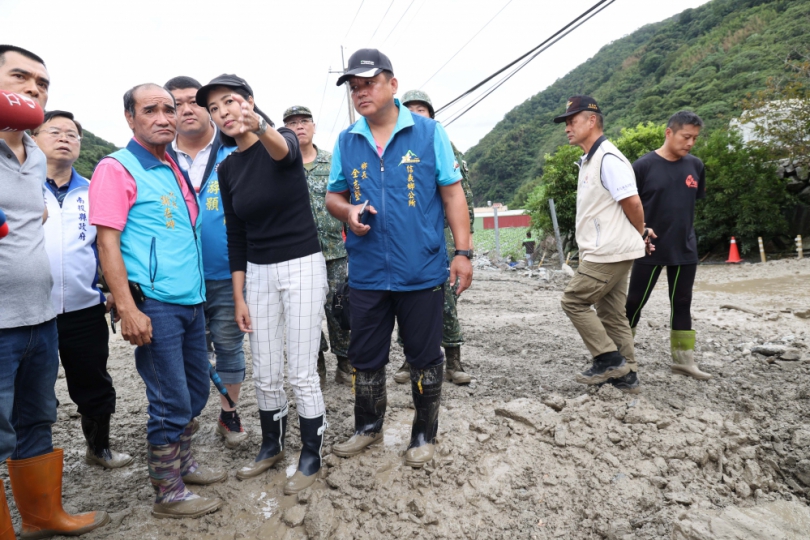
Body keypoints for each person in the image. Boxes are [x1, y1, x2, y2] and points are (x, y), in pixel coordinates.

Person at [326, 49, 473, 468]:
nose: (360, 92)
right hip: (368, 270)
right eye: (354, 87)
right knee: (365, 356)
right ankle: (368, 427)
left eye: (368, 83)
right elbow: (334, 196)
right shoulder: (347, 140)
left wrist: (462, 252)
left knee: (424, 356)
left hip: (421, 269)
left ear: (392, 85)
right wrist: (347, 211)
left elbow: (452, 195)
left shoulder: (428, 133)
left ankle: (424, 433)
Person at [89, 83, 224, 519]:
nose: (165, 117)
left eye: (170, 109)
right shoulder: (117, 167)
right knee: (170, 399)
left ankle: (183, 464)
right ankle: (168, 491)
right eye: (151, 110)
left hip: (191, 301)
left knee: (196, 390)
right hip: (155, 303)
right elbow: (107, 243)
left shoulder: (172, 165)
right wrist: (127, 307)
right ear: (130, 118)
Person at [197, 75, 328, 495]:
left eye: (229, 102)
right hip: (257, 273)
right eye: (214, 108)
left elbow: (285, 153)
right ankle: (271, 446)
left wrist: (260, 125)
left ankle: (311, 454)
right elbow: (236, 235)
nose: (223, 112)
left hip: (302, 265)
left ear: (249, 102)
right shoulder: (227, 168)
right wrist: (239, 295)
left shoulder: (282, 139)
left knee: (302, 371)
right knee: (266, 370)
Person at [0, 44, 109, 538]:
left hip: (41, 317)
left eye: (42, 83)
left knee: (36, 418)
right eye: (20, 77)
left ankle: (42, 516)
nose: (33, 88)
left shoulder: (32, 155)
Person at [34, 110, 134, 470]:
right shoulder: (18, 188)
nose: (65, 138)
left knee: (94, 382)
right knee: (33, 390)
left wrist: (115, 292)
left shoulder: (94, 190)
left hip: (84, 309)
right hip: (30, 312)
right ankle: (33, 461)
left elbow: (111, 246)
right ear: (33, 139)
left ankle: (98, 447)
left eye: (72, 134)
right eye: (54, 131)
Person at [164, 76, 247, 447]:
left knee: (229, 344)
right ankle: (184, 416)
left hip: (227, 271)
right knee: (181, 350)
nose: (186, 109)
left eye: (193, 101)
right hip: (176, 278)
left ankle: (229, 413)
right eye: (176, 104)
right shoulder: (158, 156)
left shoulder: (235, 147)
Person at [553, 95, 655, 394]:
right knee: (611, 313)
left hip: (608, 251)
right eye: (566, 122)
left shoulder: (608, 158)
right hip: (610, 249)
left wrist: (640, 233)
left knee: (573, 301)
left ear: (592, 120)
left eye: (572, 121)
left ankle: (608, 359)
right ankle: (628, 375)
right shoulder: (591, 159)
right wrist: (639, 235)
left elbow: (632, 203)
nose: (567, 127)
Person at [625, 111, 711, 381]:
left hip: (685, 246)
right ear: (669, 133)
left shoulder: (696, 166)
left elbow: (687, 205)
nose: (690, 143)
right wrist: (639, 234)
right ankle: (620, 356)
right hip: (649, 246)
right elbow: (627, 207)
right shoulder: (643, 166)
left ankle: (684, 361)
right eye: (686, 137)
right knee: (635, 301)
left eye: (695, 138)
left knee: (682, 302)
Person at [397, 89, 474, 386]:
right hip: (408, 238)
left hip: (442, 235)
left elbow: (462, 197)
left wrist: (464, 246)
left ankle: (453, 360)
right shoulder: (394, 147)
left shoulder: (443, 145)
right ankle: (410, 357)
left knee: (446, 299)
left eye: (422, 109)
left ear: (431, 115)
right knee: (407, 297)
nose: (416, 114)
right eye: (409, 110)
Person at [282, 104, 352, 387]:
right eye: (292, 123)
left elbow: (349, 200)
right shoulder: (281, 164)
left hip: (335, 251)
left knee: (340, 306)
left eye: (304, 121)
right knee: (305, 313)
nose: (299, 126)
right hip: (299, 254)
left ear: (313, 126)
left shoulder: (333, 162)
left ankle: (345, 363)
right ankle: (317, 363)